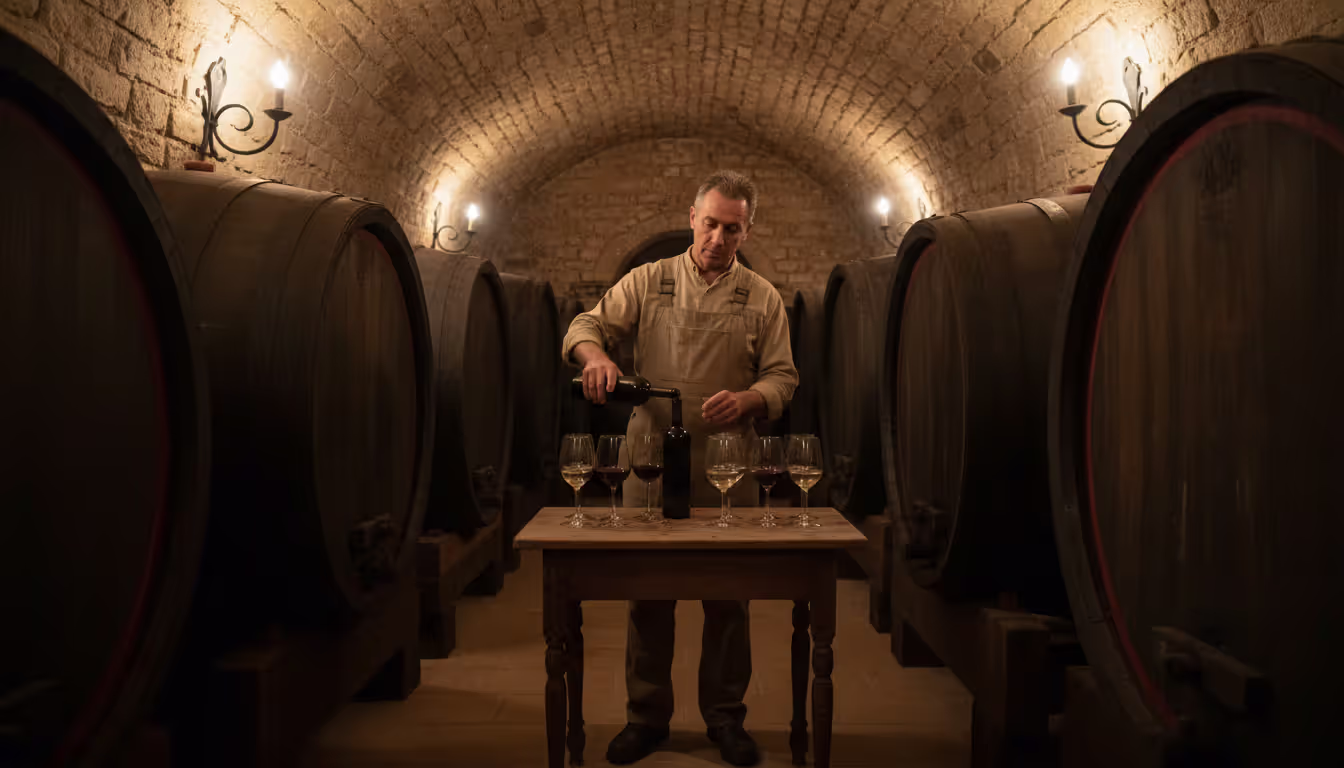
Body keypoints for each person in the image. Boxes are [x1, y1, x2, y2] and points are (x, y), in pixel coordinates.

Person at [562, 170, 799, 766]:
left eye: (733, 227)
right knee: (649, 598)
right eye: (711, 223)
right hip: (650, 466)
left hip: (727, 469)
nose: (720, 237)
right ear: (692, 217)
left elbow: (783, 377)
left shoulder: (762, 297)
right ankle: (646, 717)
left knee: (728, 601)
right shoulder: (649, 281)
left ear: (748, 229)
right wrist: (595, 358)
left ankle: (725, 719)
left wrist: (749, 399)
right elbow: (585, 327)